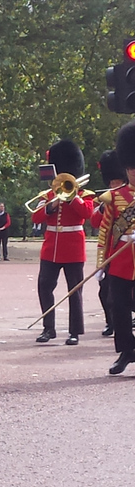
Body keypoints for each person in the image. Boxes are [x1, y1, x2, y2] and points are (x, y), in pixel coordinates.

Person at [32, 139, 94, 346]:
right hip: (51, 249)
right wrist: (53, 204)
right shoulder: (48, 194)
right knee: (44, 287)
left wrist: (72, 197)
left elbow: (87, 214)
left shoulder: (84, 194)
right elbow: (36, 217)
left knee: (74, 291)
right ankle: (48, 328)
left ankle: (75, 331)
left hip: (74, 248)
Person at [98, 121, 135, 373]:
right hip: (121, 261)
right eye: (131, 167)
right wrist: (102, 263)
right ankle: (126, 351)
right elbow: (105, 231)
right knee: (117, 306)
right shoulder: (115, 196)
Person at [91, 150, 127, 337]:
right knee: (104, 292)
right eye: (111, 182)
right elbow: (95, 223)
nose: (114, 185)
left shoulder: (129, 197)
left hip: (127, 252)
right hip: (110, 250)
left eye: (117, 182)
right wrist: (103, 208)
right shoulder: (106, 199)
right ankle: (110, 321)